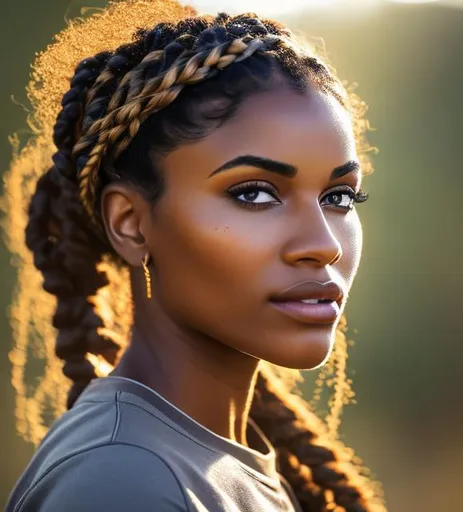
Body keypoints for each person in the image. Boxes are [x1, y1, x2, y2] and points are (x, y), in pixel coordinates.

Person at [3, 0, 386, 510]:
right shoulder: (123, 482)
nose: (324, 244)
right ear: (131, 223)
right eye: (254, 193)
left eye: (339, 197)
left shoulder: (209, 460)